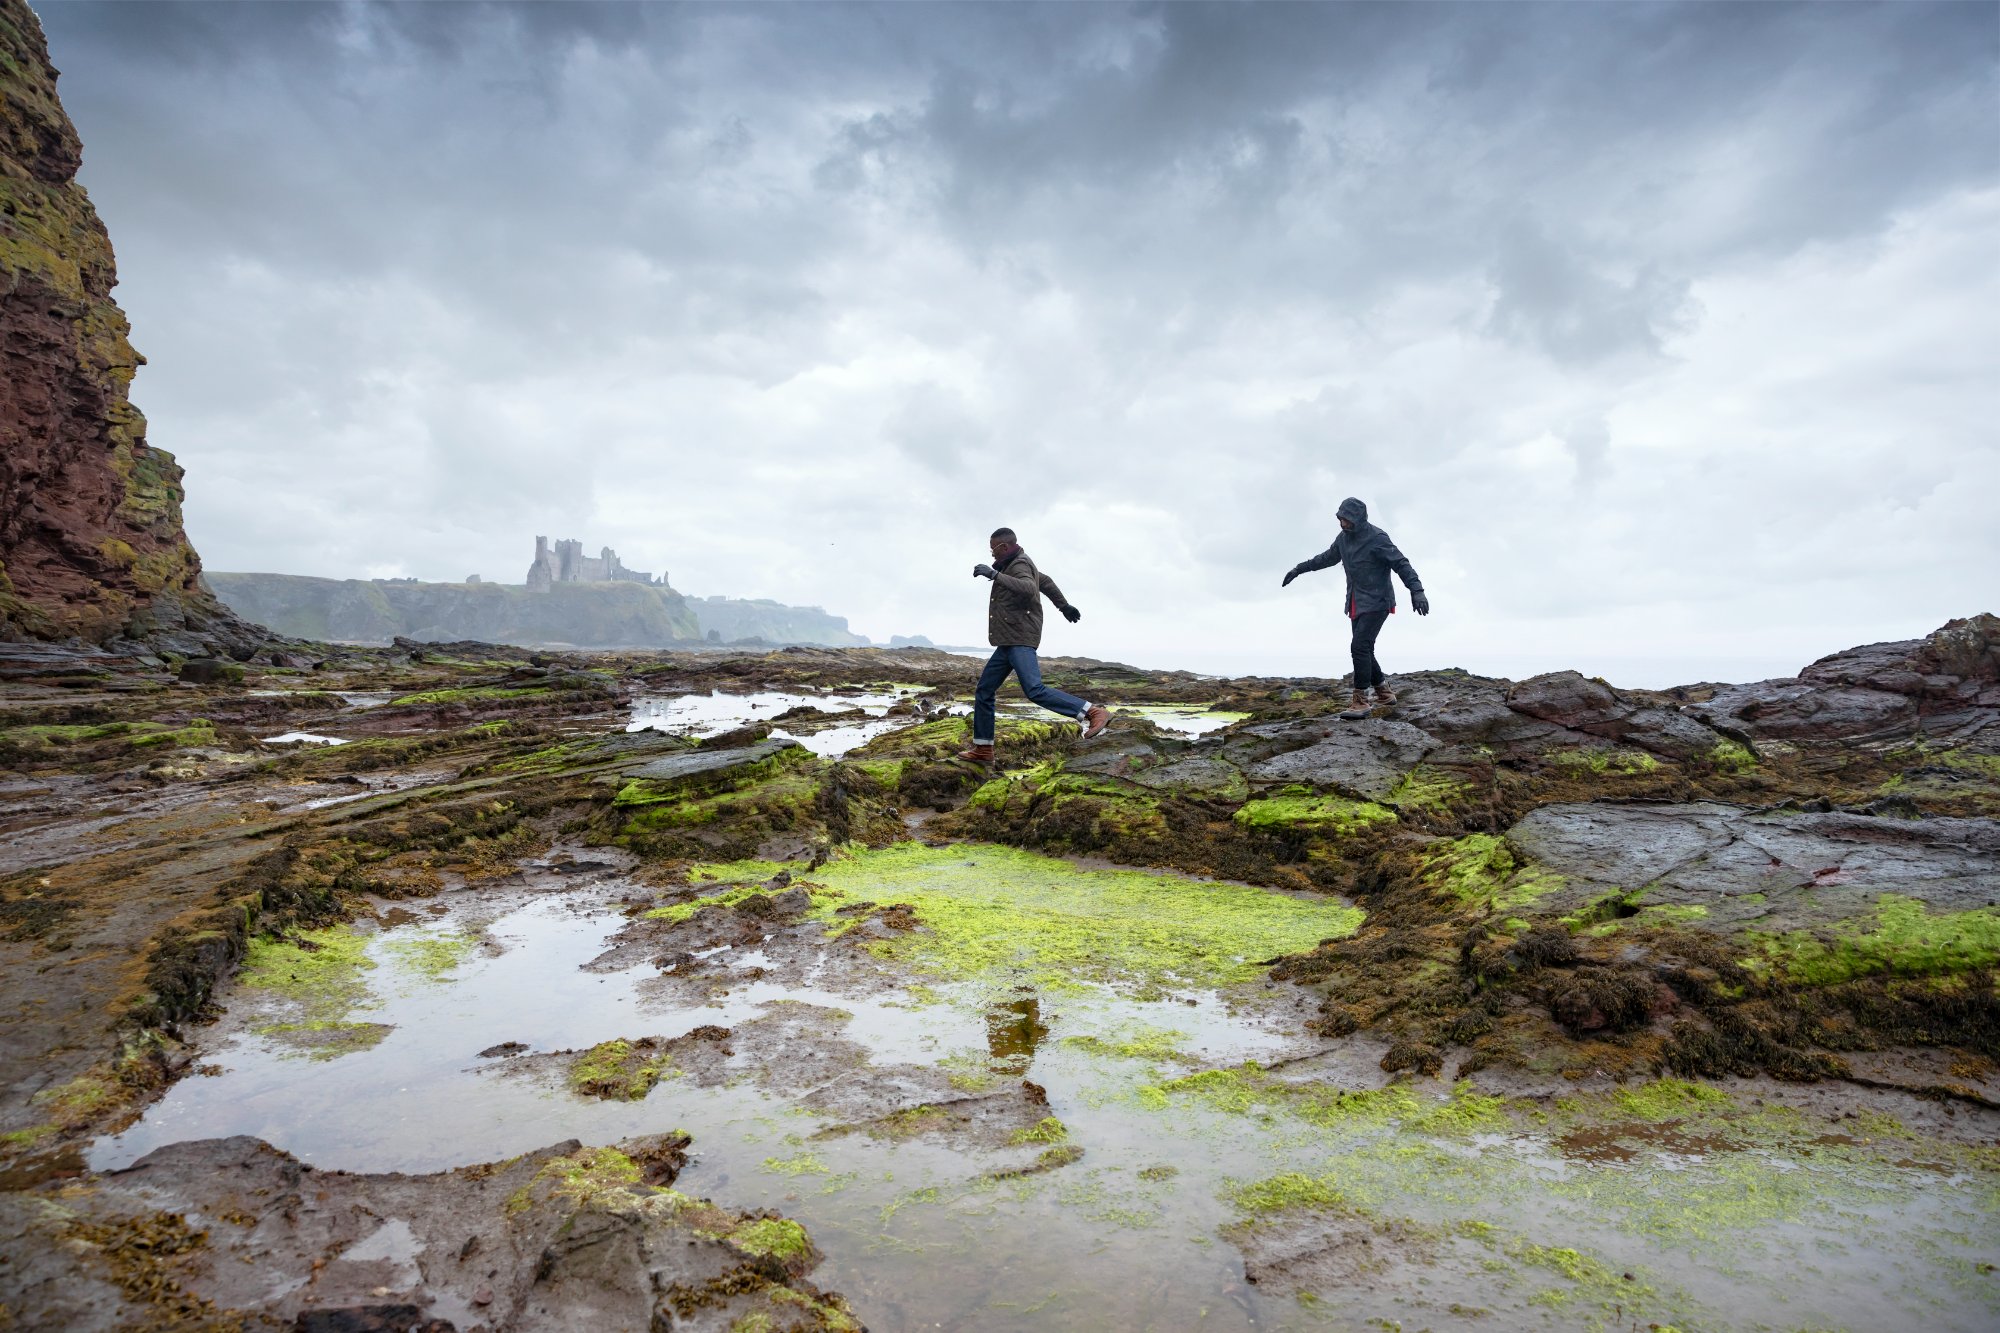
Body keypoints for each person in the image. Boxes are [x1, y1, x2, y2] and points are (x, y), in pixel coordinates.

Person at [958, 527, 1110, 762]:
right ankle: (983, 748)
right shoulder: (1015, 563)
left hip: (1020, 637)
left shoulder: (1018, 563)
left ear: (1005, 547)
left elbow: (1029, 588)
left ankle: (1092, 711)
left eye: (994, 550)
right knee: (984, 689)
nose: (992, 555)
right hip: (1008, 640)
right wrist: (1063, 606)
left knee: (1034, 689)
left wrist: (993, 575)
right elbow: (1044, 581)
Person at [1282, 497, 1429, 718]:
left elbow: (1401, 563)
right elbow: (1326, 558)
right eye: (1340, 519)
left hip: (1378, 601)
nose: (1343, 524)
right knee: (1365, 648)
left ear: (1358, 519)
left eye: (1347, 520)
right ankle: (1384, 692)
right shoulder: (1343, 539)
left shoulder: (1377, 538)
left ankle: (1361, 701)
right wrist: (1298, 569)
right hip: (1356, 601)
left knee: (1359, 646)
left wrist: (1416, 590)